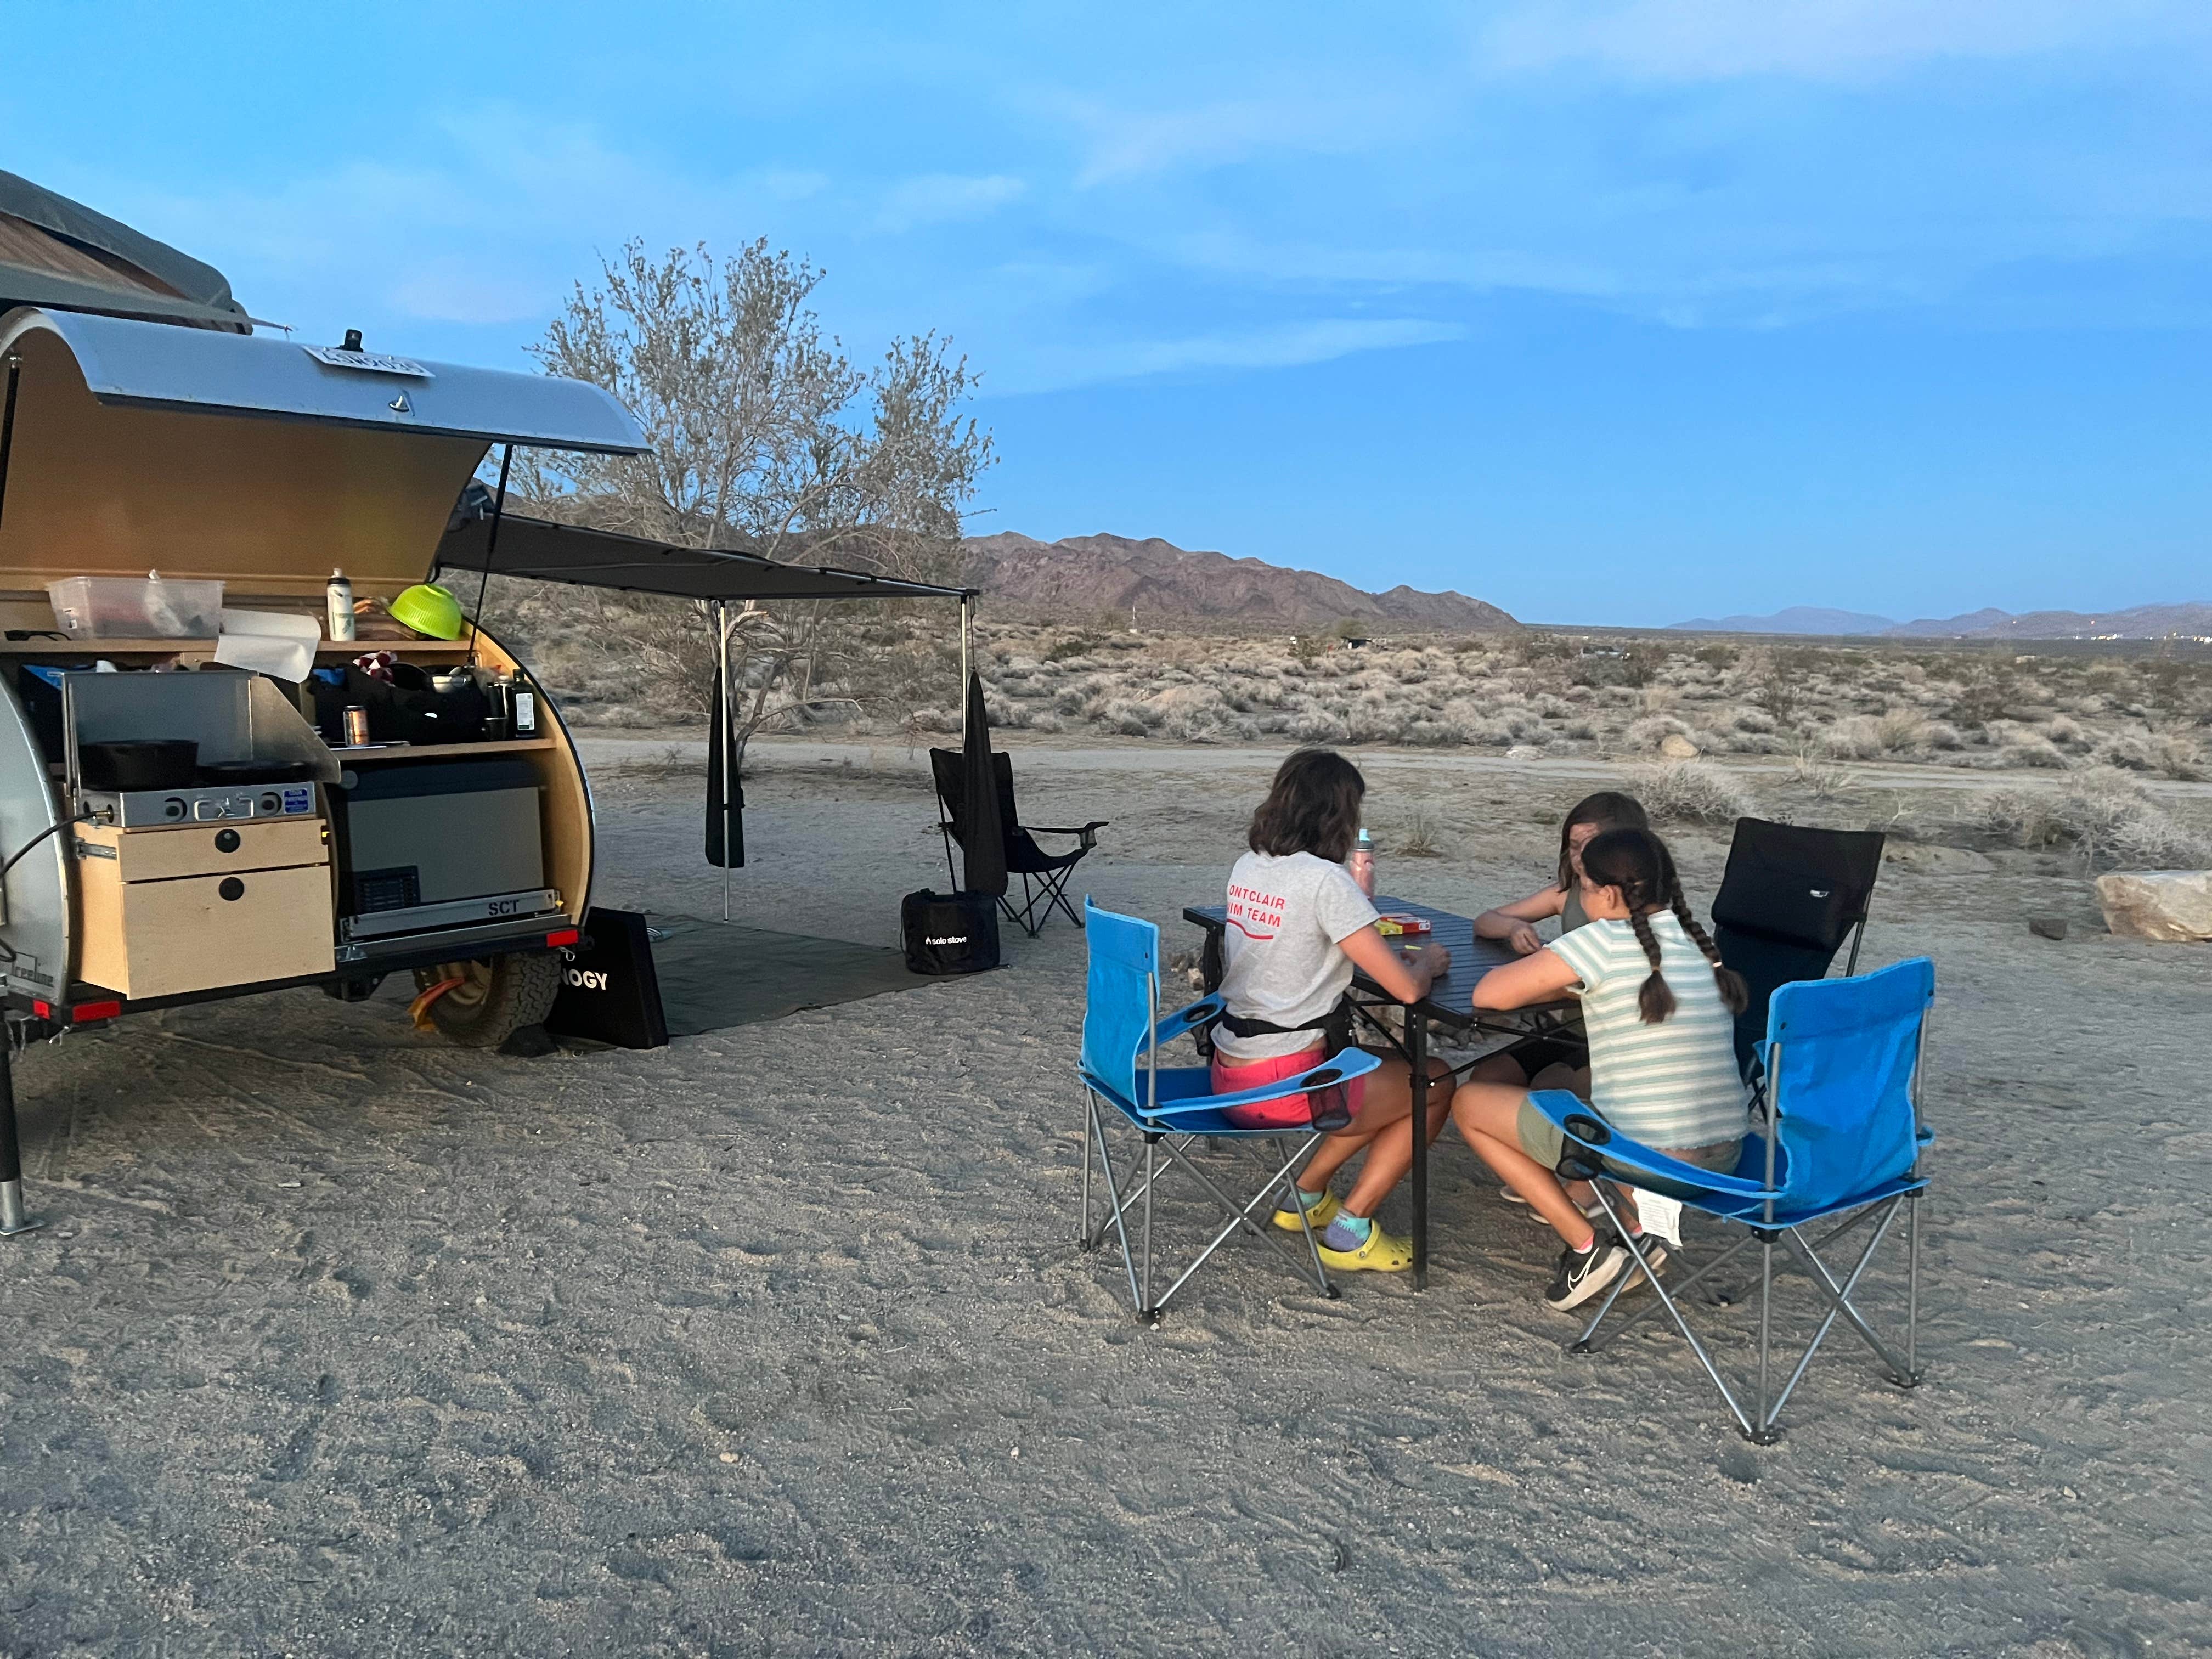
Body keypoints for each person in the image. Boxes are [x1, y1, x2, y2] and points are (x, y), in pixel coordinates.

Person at [1448, 826, 1751, 1311]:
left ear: (1607, 894)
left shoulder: (1602, 940)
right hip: (1726, 1162)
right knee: (1580, 1096)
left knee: (1469, 1102)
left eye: (1583, 885)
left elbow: (1489, 995)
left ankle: (1586, 1246)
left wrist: (1565, 980)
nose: (1579, 896)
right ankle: (1637, 1231)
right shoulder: (1701, 943)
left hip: (1652, 1162)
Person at [1212, 748, 1453, 1273]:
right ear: (1340, 815)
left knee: (1388, 1081)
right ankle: (1350, 1229)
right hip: (1283, 1085)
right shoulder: (1325, 881)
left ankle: (1307, 1195)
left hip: (1231, 1067)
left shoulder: (1249, 864)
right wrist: (1427, 964)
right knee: (1432, 1084)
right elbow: (1406, 991)